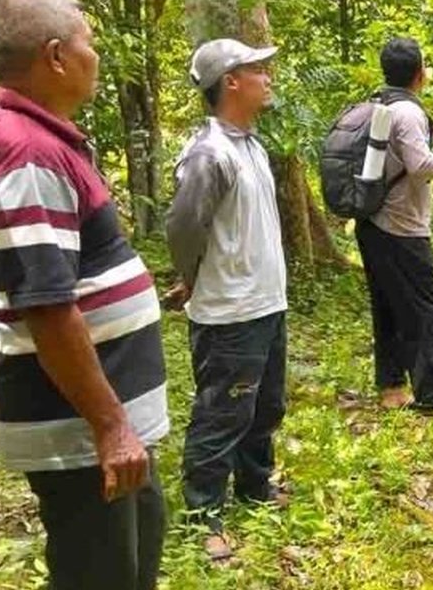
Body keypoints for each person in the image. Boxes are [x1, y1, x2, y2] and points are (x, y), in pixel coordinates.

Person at [0, 0, 169, 590]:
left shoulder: (35, 140)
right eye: (89, 42)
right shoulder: (26, 153)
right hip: (80, 433)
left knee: (136, 554)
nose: (96, 55)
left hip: (99, 425)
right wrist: (111, 426)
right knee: (99, 573)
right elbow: (49, 309)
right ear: (56, 56)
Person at [164, 38, 290, 561]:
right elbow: (183, 227)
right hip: (229, 311)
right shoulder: (208, 154)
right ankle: (203, 510)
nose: (267, 76)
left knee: (265, 405)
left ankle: (256, 484)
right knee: (222, 412)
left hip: (265, 302)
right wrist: (190, 278)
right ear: (230, 82)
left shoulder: (252, 146)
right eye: (257, 69)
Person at [354, 37, 433, 418]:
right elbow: (421, 168)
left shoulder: (378, 104)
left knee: (388, 307)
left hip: (372, 223)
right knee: (427, 313)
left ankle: (391, 388)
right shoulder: (407, 113)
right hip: (402, 228)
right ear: (419, 73)